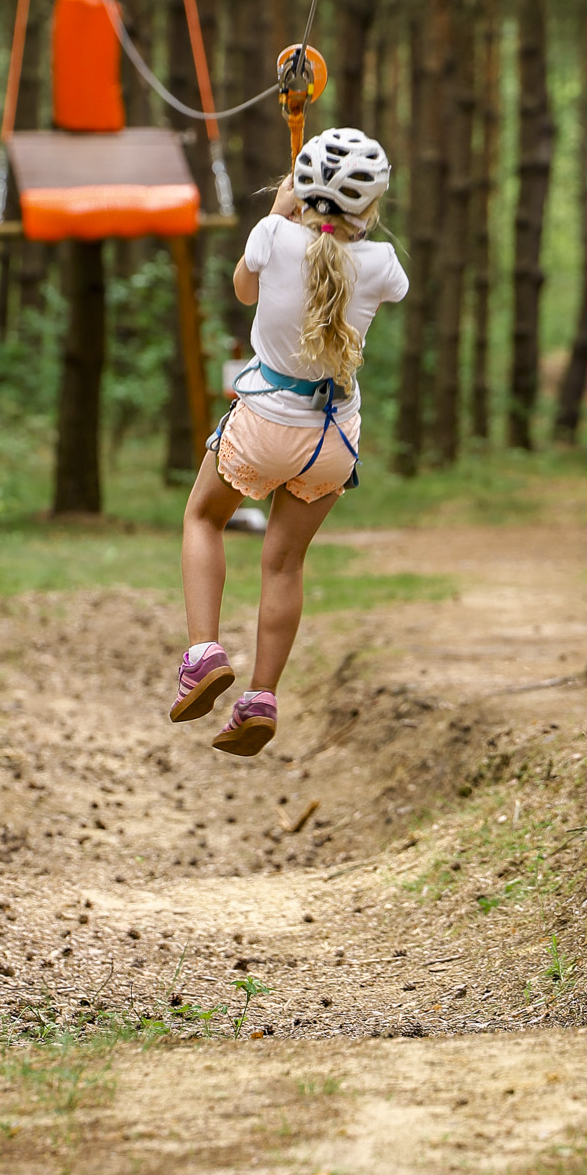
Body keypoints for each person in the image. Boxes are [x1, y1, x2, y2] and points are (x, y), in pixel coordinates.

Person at [169, 127, 408, 755]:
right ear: (371, 206)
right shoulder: (384, 265)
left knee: (203, 518)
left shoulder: (272, 237)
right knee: (284, 562)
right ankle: (261, 696)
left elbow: (244, 290)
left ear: (300, 191)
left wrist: (280, 212)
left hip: (266, 421)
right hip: (332, 437)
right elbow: (361, 267)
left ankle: (203, 654)